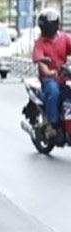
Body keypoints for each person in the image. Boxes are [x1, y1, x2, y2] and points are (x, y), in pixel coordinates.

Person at [32, 8, 71, 143]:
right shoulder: (40, 43)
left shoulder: (65, 38)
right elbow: (40, 61)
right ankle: (52, 124)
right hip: (50, 79)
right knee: (54, 92)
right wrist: (49, 72)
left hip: (65, 76)